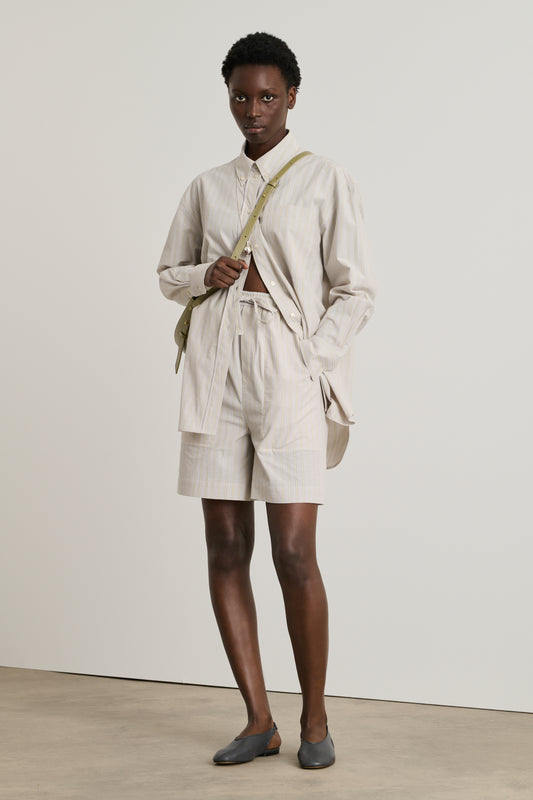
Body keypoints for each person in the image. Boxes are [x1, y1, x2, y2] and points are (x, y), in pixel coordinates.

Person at [156, 31, 377, 769]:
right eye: (240, 97)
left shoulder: (324, 179)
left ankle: (315, 720)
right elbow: (169, 273)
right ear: (228, 98)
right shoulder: (207, 186)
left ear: (292, 97)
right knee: (224, 545)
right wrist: (205, 276)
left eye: (267, 96)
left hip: (287, 372)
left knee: (292, 551)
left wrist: (310, 360)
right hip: (215, 366)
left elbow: (355, 289)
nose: (253, 109)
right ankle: (258, 719)